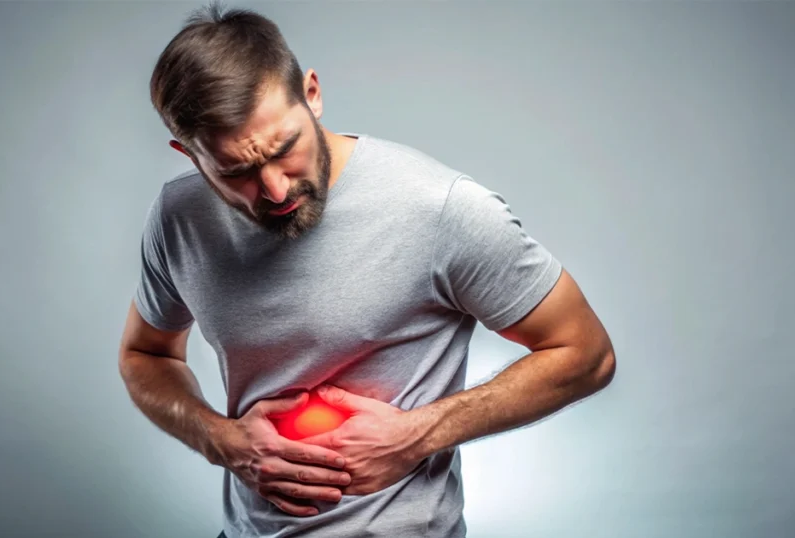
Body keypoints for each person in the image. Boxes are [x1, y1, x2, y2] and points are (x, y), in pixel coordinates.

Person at [117, 3, 616, 537]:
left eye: (286, 149)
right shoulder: (179, 217)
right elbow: (144, 354)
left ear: (311, 94)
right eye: (237, 171)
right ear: (189, 155)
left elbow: (587, 354)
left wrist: (419, 434)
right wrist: (219, 439)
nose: (276, 189)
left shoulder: (438, 208)